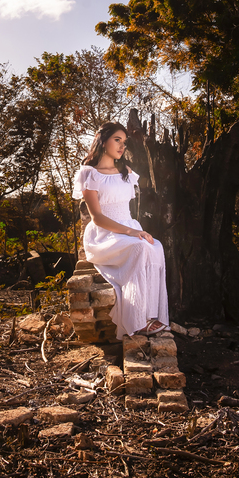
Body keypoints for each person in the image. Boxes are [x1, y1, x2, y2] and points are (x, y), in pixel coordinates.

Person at [72, 122, 169, 338]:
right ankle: (137, 320)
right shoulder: (90, 174)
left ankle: (150, 314)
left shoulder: (126, 171)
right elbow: (97, 218)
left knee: (157, 248)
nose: (121, 146)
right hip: (104, 234)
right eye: (117, 140)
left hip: (129, 227)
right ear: (103, 140)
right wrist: (132, 233)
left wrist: (134, 231)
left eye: (124, 142)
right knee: (140, 249)